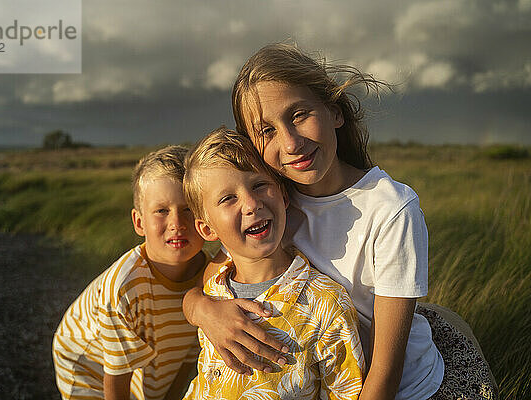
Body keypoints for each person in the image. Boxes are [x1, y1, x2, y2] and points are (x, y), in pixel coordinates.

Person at [183, 44, 497, 400]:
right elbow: (216, 276)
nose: (290, 142)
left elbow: (385, 370)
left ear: (334, 112)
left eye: (299, 114)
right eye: (267, 130)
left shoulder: (391, 208)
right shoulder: (273, 200)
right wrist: (203, 310)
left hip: (402, 387)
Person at [181, 128, 364, 399]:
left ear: (283, 196)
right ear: (207, 229)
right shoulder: (214, 292)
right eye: (228, 198)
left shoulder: (327, 304)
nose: (252, 204)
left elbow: (344, 393)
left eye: (259, 185)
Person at [53, 146, 209, 400]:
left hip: (149, 355)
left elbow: (187, 357)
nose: (177, 223)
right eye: (162, 211)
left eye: (188, 208)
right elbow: (116, 380)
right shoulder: (125, 287)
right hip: (88, 367)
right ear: (139, 222)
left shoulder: (210, 275)